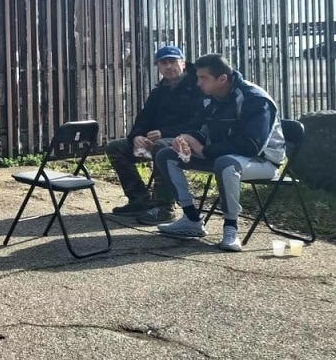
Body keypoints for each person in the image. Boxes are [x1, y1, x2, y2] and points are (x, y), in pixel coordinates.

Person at [154, 54, 285, 252]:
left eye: (203, 78)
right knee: (166, 155)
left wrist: (205, 150)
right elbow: (201, 127)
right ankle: (191, 219)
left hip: (262, 161)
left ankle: (231, 228)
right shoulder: (210, 97)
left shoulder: (255, 99)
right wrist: (187, 138)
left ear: (222, 78)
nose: (198, 83)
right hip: (220, 156)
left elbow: (252, 145)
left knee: (226, 163)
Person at [107, 45, 203, 225]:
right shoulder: (160, 90)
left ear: (183, 63)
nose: (168, 66)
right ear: (158, 66)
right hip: (159, 141)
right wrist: (137, 136)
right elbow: (144, 118)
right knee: (116, 148)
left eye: (172, 61)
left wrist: (165, 133)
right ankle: (139, 199)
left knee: (161, 147)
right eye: (163, 63)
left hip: (188, 144)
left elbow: (199, 122)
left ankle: (164, 207)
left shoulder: (197, 86)